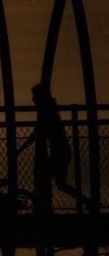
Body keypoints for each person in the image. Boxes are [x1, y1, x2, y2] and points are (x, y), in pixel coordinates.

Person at [19, 83, 90, 213]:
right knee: (56, 182)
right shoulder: (49, 110)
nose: (33, 100)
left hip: (59, 152)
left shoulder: (47, 112)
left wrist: (20, 149)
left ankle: (45, 207)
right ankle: (85, 202)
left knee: (47, 179)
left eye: (35, 97)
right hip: (61, 151)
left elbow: (37, 133)